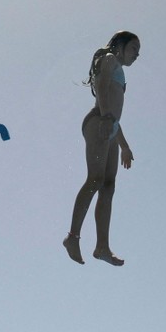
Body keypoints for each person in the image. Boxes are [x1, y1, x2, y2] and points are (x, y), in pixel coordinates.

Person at [64, 31, 140, 266]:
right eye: (133, 48)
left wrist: (124, 146)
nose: (137, 54)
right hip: (99, 120)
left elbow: (116, 115)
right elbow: (101, 84)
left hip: (110, 125)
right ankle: (72, 237)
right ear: (120, 45)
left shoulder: (120, 70)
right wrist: (106, 117)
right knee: (95, 179)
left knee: (108, 185)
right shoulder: (109, 59)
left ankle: (102, 247)